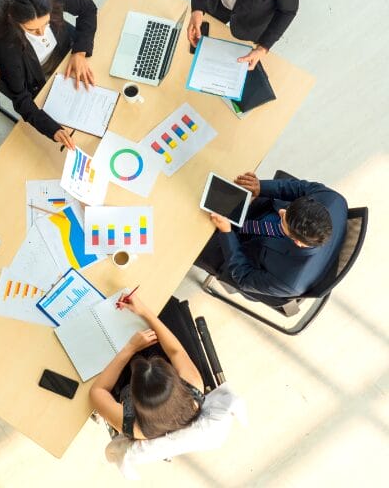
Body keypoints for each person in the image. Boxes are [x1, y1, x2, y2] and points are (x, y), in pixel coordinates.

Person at [194, 172, 348, 304]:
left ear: (298, 242)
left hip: (241, 255)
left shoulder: (288, 281)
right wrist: (261, 187)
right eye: (287, 210)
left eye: (284, 220)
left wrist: (226, 232)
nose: (281, 211)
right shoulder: (334, 200)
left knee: (191, 237)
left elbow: (243, 276)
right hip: (262, 210)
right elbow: (300, 188)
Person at [0, 0, 97, 150]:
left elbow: (88, 8)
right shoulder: (9, 47)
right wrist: (52, 129)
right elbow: (21, 99)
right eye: (33, 30)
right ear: (16, 23)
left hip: (67, 57)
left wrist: (79, 52)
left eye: (46, 23)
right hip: (40, 78)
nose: (42, 33)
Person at [90, 293, 204, 440]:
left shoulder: (135, 427)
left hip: (122, 378)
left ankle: (102, 412)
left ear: (134, 395)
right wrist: (144, 312)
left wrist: (130, 348)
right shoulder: (193, 388)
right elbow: (175, 352)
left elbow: (97, 391)